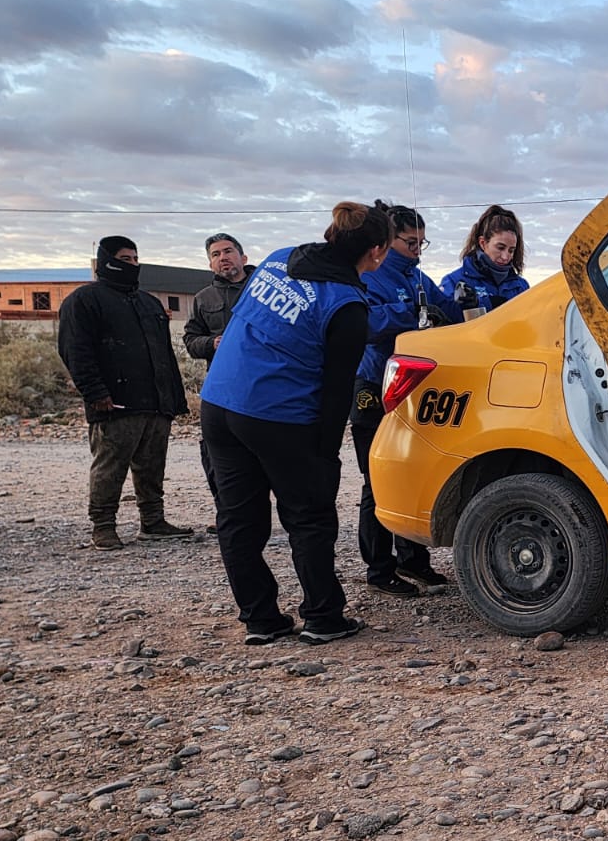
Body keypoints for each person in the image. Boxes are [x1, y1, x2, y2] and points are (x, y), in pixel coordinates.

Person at [199, 202, 390, 645]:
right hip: (279, 415)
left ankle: (260, 619)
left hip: (220, 402)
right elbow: (336, 389)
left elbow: (246, 317)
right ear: (377, 252)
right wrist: (324, 455)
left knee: (238, 517)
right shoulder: (346, 305)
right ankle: (323, 616)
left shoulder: (278, 258)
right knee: (309, 517)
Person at [56, 236, 192, 551]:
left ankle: (153, 522)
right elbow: (76, 352)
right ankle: (103, 527)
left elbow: (164, 354)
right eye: (124, 258)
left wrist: (173, 398)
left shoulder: (148, 302)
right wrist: (95, 393)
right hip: (114, 402)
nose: (131, 264)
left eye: (134, 258)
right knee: (110, 466)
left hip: (155, 402)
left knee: (152, 465)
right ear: (106, 260)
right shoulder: (84, 301)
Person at [354, 203, 461, 597]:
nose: (417, 249)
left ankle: (413, 561)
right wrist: (409, 312)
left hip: (414, 387)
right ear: (388, 240)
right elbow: (365, 322)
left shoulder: (417, 276)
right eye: (410, 242)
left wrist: (459, 303)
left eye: (422, 242)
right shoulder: (371, 275)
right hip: (373, 384)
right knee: (376, 479)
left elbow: (444, 310)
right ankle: (379, 570)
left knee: (413, 471)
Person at [183, 232, 254, 533]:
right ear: (210, 263)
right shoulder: (203, 299)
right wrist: (212, 343)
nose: (222, 257)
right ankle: (228, 512)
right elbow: (190, 340)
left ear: (243, 257)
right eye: (215, 254)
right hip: (222, 388)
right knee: (216, 451)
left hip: (263, 384)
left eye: (228, 251)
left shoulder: (261, 290)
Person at [444, 204, 529, 315]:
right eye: (500, 248)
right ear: (483, 243)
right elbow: (445, 321)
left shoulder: (521, 287)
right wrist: (480, 304)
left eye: (511, 250)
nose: (505, 256)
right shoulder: (454, 282)